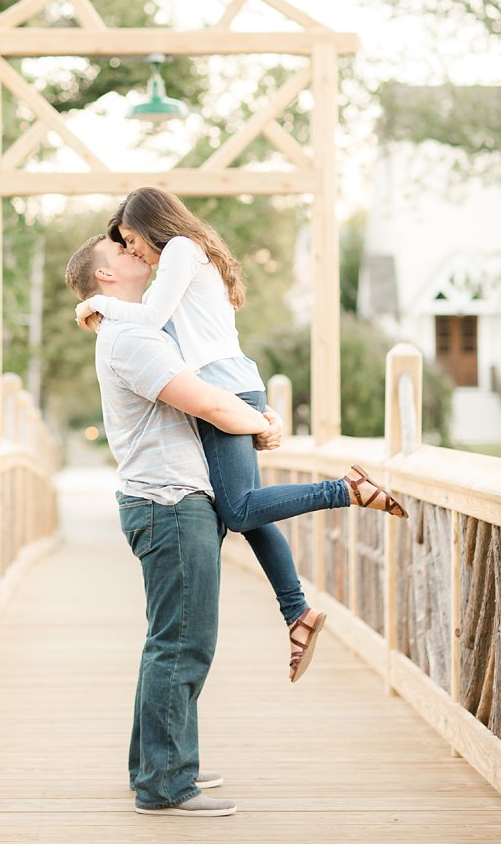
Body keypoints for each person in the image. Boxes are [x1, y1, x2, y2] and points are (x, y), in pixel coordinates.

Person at [72, 186, 407, 681]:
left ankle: (346, 489)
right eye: (123, 247)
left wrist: (95, 304)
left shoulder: (181, 252)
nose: (134, 250)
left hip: (224, 390)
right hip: (232, 386)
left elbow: (151, 319)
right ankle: (297, 613)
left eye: (131, 240)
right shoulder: (186, 258)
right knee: (246, 510)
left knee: (239, 508)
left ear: (150, 225)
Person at [66, 233, 287, 817]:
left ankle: (159, 763)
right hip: (170, 502)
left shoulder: (138, 328)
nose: (138, 255)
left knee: (169, 641)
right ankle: (165, 783)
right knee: (184, 644)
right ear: (105, 279)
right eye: (122, 254)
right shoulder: (133, 337)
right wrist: (265, 425)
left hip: (168, 499)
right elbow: (210, 403)